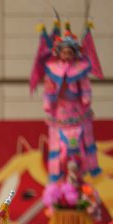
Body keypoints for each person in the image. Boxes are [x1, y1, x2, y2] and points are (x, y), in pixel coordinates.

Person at [29, 19, 104, 181]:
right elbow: (49, 88)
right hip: (60, 112)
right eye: (64, 52)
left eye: (70, 52)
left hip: (77, 111)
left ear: (74, 53)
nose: (67, 55)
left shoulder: (79, 68)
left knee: (82, 144)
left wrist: (85, 96)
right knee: (59, 147)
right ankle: (58, 173)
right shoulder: (53, 69)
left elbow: (85, 85)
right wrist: (47, 102)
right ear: (59, 53)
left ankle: (84, 169)